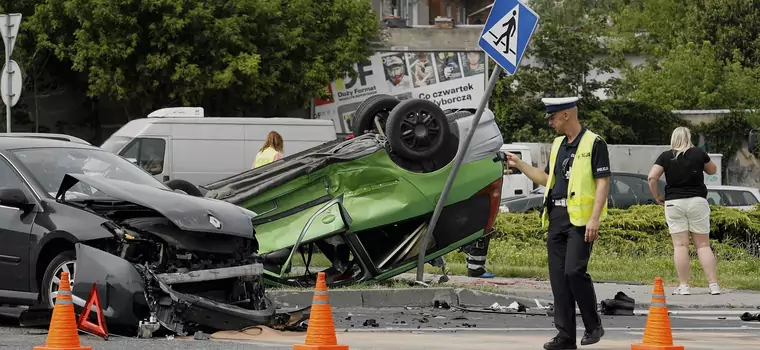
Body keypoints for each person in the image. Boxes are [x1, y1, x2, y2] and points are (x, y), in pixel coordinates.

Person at [503, 96, 609, 350]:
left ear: (566, 115)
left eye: (552, 117)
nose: (550, 122)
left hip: (581, 220)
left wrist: (594, 218)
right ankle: (565, 337)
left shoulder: (595, 143)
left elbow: (603, 182)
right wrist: (519, 164)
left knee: (574, 271)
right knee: (559, 280)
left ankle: (593, 325)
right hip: (556, 218)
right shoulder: (558, 144)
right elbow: (547, 178)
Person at [647, 126, 721, 296]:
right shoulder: (698, 153)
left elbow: (652, 177)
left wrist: (657, 195)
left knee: (680, 246)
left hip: (674, 203)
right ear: (688, 137)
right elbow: (712, 170)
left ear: (673, 138)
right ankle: (713, 285)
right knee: (703, 245)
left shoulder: (666, 156)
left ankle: (684, 286)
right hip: (697, 201)